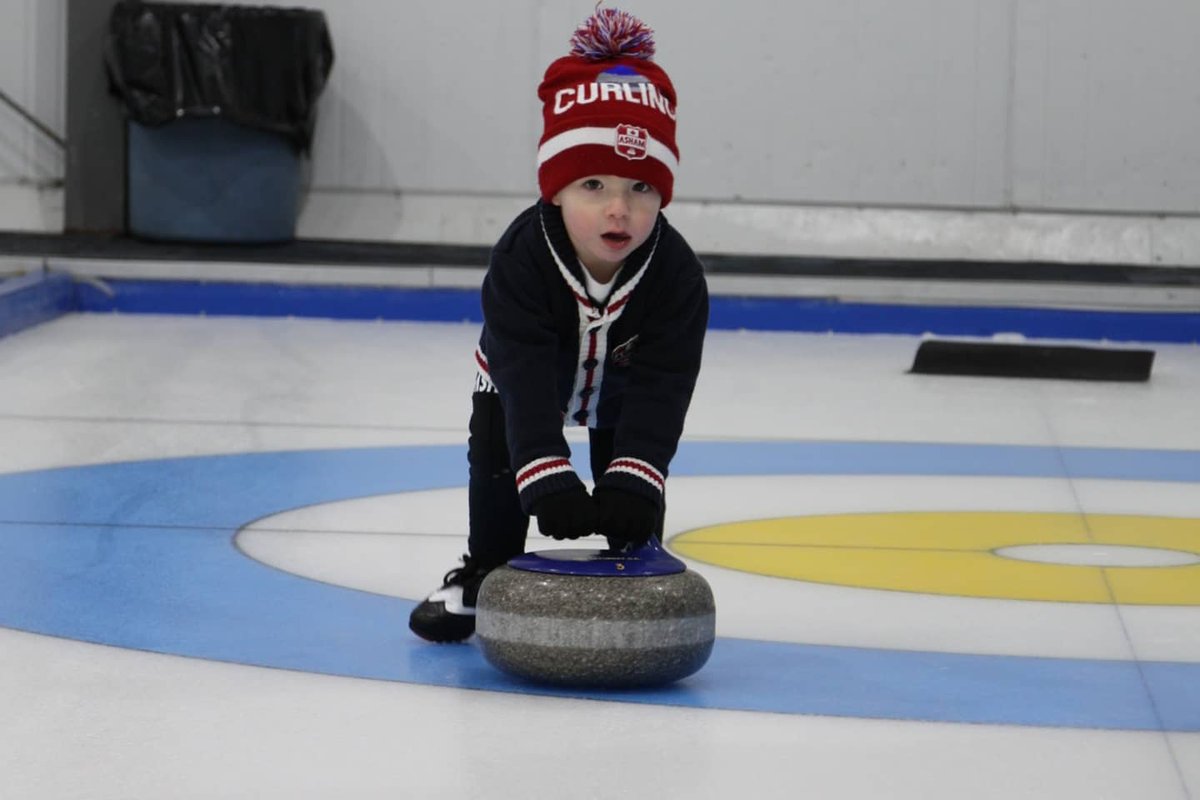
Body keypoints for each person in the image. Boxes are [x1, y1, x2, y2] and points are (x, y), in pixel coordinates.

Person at [409, 7, 708, 643]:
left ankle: (635, 557)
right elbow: (522, 379)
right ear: (556, 190)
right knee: (497, 461)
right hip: (522, 383)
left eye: (642, 187)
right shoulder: (521, 259)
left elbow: (664, 385)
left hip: (625, 386)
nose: (619, 209)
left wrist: (634, 478)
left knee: (632, 486)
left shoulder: (677, 275)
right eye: (593, 184)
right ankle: (483, 569)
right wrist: (546, 474)